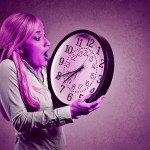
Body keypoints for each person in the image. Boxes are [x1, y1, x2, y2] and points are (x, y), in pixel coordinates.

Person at [0, 12, 105, 150]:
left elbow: (53, 109)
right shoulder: (7, 67)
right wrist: (70, 112)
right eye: (38, 38)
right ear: (19, 47)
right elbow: (20, 121)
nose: (47, 43)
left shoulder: (47, 69)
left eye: (44, 35)